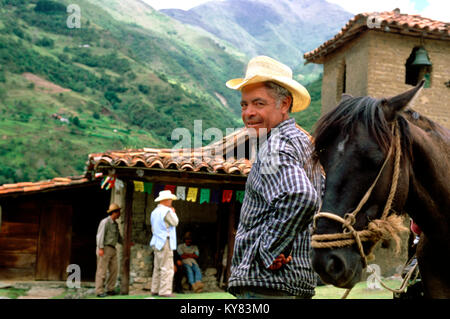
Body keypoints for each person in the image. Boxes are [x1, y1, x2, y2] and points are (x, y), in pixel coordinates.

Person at [225, 56, 323, 299]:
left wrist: (268, 249)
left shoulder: (275, 145)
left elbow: (300, 197)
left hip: (265, 287)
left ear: (284, 104)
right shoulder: (304, 144)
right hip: (295, 282)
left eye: (258, 103)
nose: (248, 113)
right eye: (244, 105)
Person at [149, 190, 179, 297]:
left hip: (156, 240)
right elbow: (175, 222)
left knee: (157, 266)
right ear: (166, 200)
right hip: (165, 240)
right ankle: (165, 291)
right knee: (167, 267)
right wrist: (174, 212)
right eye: (170, 199)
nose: (171, 201)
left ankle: (155, 289)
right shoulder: (167, 211)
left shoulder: (154, 212)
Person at [95, 203, 123, 297]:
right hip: (105, 248)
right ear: (114, 212)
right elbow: (100, 236)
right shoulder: (105, 222)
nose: (120, 213)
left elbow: (118, 237)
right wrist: (100, 248)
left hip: (112, 248)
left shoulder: (115, 224)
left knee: (114, 270)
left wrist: (126, 243)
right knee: (102, 270)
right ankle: (99, 291)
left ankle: (110, 289)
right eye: (118, 211)